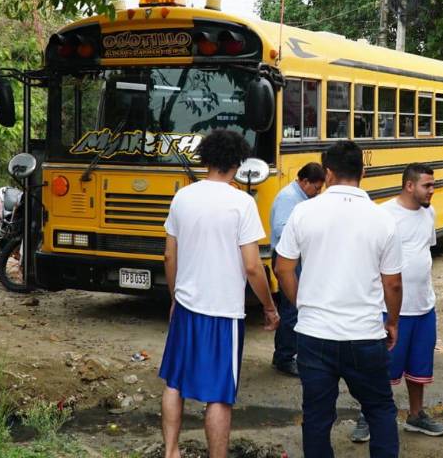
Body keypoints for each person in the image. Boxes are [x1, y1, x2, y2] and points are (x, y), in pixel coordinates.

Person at [274, 141, 402, 458]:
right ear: (363, 172)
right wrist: (392, 322)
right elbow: (393, 283)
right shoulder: (383, 218)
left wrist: (302, 304)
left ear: (328, 173)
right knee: (380, 409)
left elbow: (283, 268)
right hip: (365, 335)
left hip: (314, 334)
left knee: (317, 416)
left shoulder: (303, 212)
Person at [158, 130, 279, 458]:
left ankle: (171, 451)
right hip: (223, 312)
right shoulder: (242, 203)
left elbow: (169, 256)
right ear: (238, 164)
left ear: (205, 159)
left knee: (175, 382)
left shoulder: (183, 197)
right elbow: (252, 266)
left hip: (186, 306)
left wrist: (174, 298)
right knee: (219, 394)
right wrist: (269, 306)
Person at [351, 163, 443, 441]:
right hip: (390, 308)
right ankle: (367, 416)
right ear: (409, 185)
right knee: (379, 367)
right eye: (427, 185)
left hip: (423, 306)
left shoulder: (429, 213)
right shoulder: (383, 215)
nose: (432, 190)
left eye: (433, 185)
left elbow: (424, 251)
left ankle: (416, 416)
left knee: (419, 366)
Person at [269, 162, 326, 377]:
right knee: (292, 309)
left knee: (294, 307)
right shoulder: (288, 198)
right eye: (315, 188)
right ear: (304, 182)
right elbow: (281, 230)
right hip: (287, 258)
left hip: (295, 257)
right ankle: (285, 357)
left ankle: (284, 355)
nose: (317, 193)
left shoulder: (302, 197)